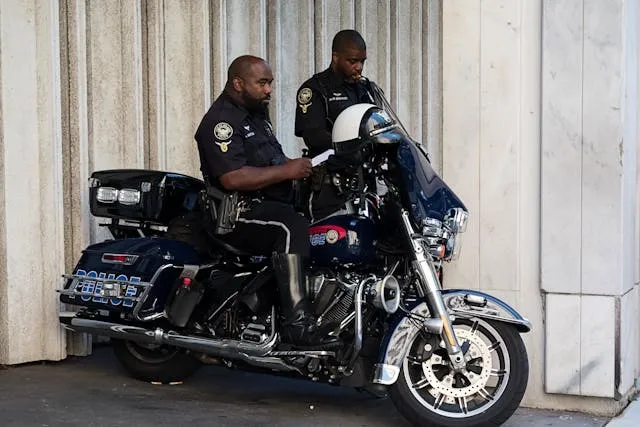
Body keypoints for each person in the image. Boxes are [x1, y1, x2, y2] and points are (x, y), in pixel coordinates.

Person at [194, 55, 332, 347]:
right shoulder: (222, 122)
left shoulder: (256, 116)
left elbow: (271, 162)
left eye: (270, 83)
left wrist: (302, 168)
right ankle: (298, 324)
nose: (269, 90)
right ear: (238, 83)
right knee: (290, 228)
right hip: (235, 214)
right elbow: (232, 177)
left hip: (267, 206)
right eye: (262, 83)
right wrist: (287, 170)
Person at [294, 29, 383, 220]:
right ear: (335, 57)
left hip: (365, 182)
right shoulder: (314, 89)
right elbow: (313, 136)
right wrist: (354, 145)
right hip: (331, 185)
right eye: (352, 61)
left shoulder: (367, 89)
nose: (358, 67)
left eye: (362, 62)